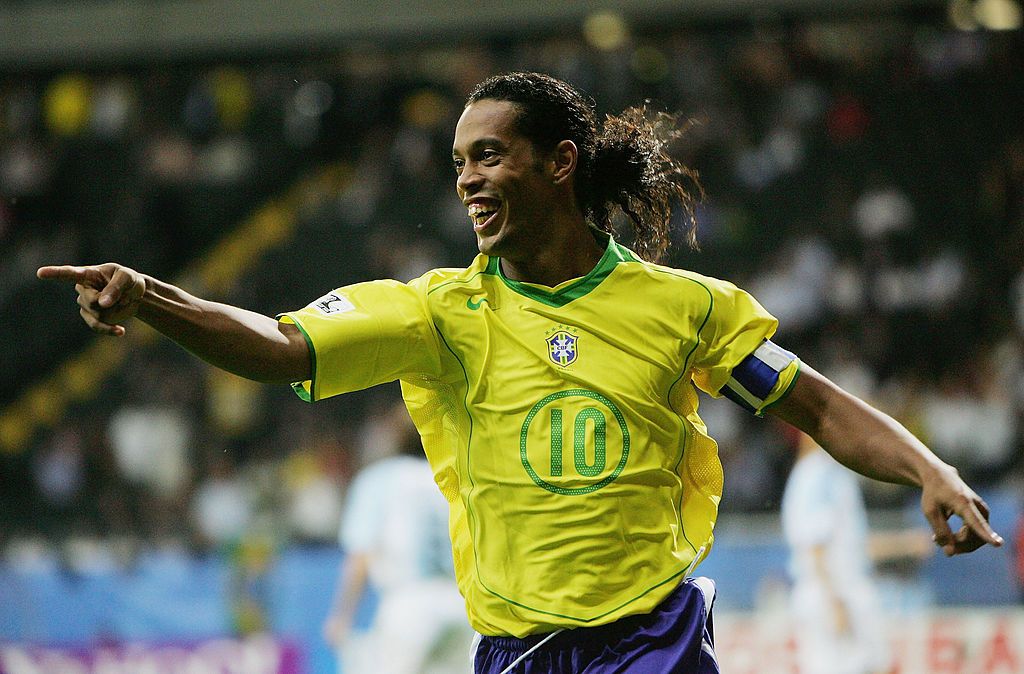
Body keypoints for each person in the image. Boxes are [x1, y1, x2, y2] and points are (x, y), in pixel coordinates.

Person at [39, 71, 1003, 673]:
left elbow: (815, 405)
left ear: (560, 163)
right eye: (459, 161)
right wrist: (153, 300)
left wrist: (928, 469)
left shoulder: (684, 309)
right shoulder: (435, 313)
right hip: (516, 654)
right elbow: (281, 346)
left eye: (490, 156)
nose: (466, 178)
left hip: (651, 639)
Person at [322, 401, 471, 674]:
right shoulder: (454, 477)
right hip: (460, 604)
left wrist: (342, 616)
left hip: (408, 604)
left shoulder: (380, 479)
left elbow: (361, 555)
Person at [781, 432, 931, 674]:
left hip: (848, 589)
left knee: (876, 665)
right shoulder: (816, 474)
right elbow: (813, 545)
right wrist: (834, 601)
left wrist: (904, 544)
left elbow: (853, 545)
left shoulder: (836, 472)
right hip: (831, 592)